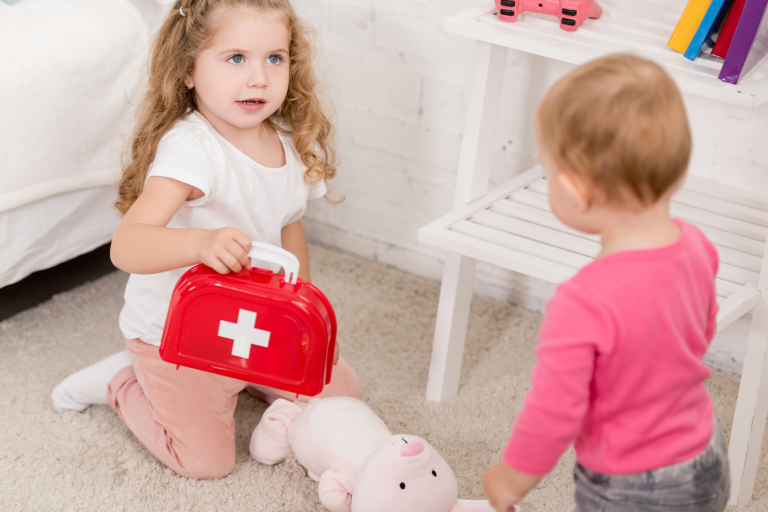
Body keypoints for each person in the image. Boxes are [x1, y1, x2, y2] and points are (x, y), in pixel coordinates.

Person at [51, 0, 360, 479]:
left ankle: (267, 399)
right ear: (189, 71)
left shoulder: (292, 142)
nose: (258, 77)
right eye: (236, 58)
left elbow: (289, 224)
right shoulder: (192, 150)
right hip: (176, 336)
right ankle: (121, 380)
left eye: (274, 58)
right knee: (206, 463)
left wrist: (300, 317)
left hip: (250, 324)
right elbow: (126, 245)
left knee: (339, 389)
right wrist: (199, 244)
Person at [482, 54, 730, 511]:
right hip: (706, 455)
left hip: (632, 485)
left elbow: (554, 412)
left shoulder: (582, 302)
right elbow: (701, 329)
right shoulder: (697, 246)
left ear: (576, 191)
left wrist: (510, 478)